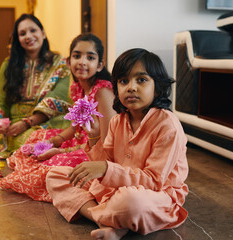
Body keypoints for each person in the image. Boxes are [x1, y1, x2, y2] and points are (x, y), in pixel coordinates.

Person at [46, 48, 189, 240]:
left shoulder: (167, 125)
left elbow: (154, 181)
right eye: (123, 81)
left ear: (158, 87)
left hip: (155, 195)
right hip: (114, 190)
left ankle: (105, 215)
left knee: (132, 201)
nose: (131, 87)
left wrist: (106, 170)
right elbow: (106, 164)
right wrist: (94, 138)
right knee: (56, 175)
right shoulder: (117, 121)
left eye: (141, 80)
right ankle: (108, 221)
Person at [0, 33, 117, 202]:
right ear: (68, 62)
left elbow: (105, 144)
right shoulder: (79, 88)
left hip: (96, 152)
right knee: (36, 138)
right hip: (80, 141)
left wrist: (61, 150)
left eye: (90, 57)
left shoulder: (103, 92)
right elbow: (75, 128)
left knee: (49, 168)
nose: (82, 61)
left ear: (99, 65)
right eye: (77, 56)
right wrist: (53, 142)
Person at [0, 14, 72, 159]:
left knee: (41, 141)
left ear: (43, 33)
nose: (28, 36)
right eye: (22, 34)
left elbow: (59, 98)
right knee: (28, 142)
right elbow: (0, 101)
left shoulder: (61, 64)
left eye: (33, 31)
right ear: (18, 40)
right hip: (14, 127)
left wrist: (27, 123)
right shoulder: (8, 65)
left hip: (48, 122)